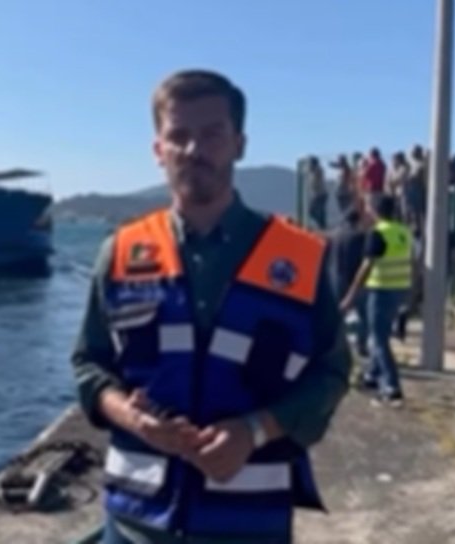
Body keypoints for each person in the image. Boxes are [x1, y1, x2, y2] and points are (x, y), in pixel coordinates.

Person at [70, 69, 353, 544]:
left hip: (248, 525)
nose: (193, 150)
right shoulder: (120, 253)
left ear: (239, 143)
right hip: (135, 523)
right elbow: (89, 365)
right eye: (177, 136)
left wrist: (253, 432)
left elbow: (331, 372)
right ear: (158, 150)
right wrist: (131, 416)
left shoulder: (300, 258)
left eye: (211, 134)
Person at [340, 195, 412, 407]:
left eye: (370, 207)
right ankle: (372, 375)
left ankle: (391, 387)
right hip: (399, 288)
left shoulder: (378, 233)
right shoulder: (402, 232)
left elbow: (366, 266)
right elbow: (413, 263)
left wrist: (351, 295)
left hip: (381, 289)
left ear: (375, 210)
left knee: (377, 339)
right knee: (380, 333)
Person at [328, 207, 370, 358]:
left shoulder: (334, 235)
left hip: (336, 278)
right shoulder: (361, 236)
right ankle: (361, 346)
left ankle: (333, 345)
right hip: (355, 279)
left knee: (337, 315)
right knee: (363, 316)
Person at [304, 155, 329, 230]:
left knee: (312, 211)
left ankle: (322, 225)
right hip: (317, 194)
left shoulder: (318, 170)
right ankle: (322, 226)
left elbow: (315, 170)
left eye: (310, 163)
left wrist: (311, 167)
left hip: (320, 194)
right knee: (319, 212)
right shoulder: (312, 172)